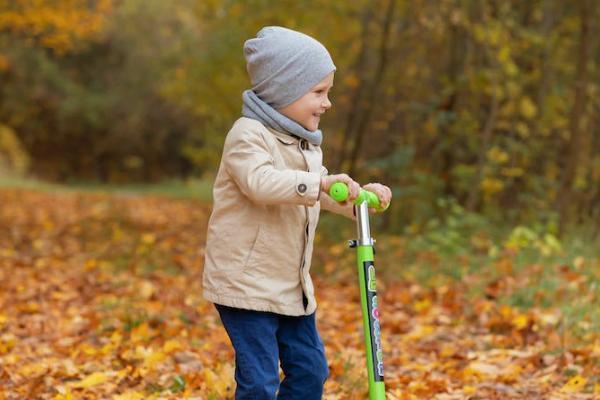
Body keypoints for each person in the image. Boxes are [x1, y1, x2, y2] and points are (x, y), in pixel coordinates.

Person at [202, 26, 392, 399]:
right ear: (282, 90)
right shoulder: (248, 135)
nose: (327, 103)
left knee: (310, 372)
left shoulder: (304, 144)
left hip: (292, 288)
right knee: (259, 382)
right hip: (246, 286)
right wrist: (317, 183)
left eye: (328, 93)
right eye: (318, 92)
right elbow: (260, 182)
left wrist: (360, 201)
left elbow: (323, 192)